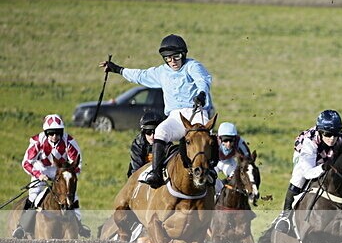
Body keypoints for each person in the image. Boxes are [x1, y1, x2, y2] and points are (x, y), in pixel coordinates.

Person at [100, 34, 213, 189]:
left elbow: (203, 80)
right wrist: (118, 69)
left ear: (184, 54)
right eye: (168, 58)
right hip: (176, 116)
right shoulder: (161, 72)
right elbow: (140, 75)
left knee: (204, 136)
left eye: (176, 56)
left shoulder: (192, 66)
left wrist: (201, 94)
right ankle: (156, 173)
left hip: (196, 111)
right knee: (160, 132)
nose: (172, 61)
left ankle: (211, 170)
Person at [14, 114, 91, 239]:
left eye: (58, 133)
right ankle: (21, 227)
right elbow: (26, 163)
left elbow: (77, 161)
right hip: (41, 170)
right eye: (51, 133)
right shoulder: (37, 141)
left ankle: (80, 225)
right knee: (34, 195)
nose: (54, 136)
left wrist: (69, 174)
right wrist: (39, 175)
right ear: (46, 133)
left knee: (73, 196)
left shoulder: (69, 142)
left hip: (60, 170)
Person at [274, 109, 342, 234]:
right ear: (320, 131)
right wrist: (323, 167)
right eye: (328, 134)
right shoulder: (309, 142)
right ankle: (285, 216)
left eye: (335, 134)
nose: (332, 138)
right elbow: (308, 172)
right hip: (305, 155)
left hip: (327, 156)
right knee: (299, 178)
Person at [213, 121, 252, 194]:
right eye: (225, 140)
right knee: (211, 179)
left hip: (228, 161)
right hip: (214, 162)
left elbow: (248, 160)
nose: (228, 144)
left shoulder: (240, 142)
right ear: (219, 138)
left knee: (237, 179)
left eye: (231, 140)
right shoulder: (212, 141)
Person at [126, 111, 164, 178]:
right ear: (143, 132)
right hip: (141, 176)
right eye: (148, 132)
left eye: (155, 132)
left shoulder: (167, 143)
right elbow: (136, 171)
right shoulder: (138, 144)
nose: (152, 136)